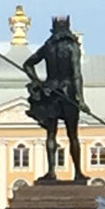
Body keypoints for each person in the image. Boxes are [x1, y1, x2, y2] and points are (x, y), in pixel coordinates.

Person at [23, 14, 86, 180]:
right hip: (68, 93)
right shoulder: (72, 47)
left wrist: (38, 82)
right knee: (73, 135)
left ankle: (51, 172)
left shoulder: (48, 46)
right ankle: (78, 173)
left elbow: (27, 64)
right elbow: (77, 74)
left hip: (50, 93)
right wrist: (80, 99)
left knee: (51, 134)